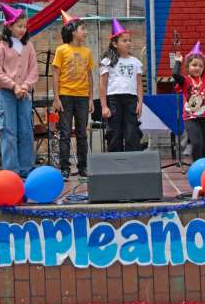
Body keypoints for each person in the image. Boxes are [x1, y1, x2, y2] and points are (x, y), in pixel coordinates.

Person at [0, 4, 39, 179]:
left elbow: (34, 70)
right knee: (9, 131)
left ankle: (26, 168)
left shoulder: (28, 46)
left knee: (26, 130)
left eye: (25, 26)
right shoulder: (0, 46)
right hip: (7, 94)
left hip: (24, 94)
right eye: (19, 26)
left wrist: (25, 86)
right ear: (9, 26)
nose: (22, 29)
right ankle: (12, 171)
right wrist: (13, 85)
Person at [52, 10, 94, 180]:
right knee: (65, 133)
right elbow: (55, 73)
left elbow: (90, 76)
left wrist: (91, 98)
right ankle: (64, 168)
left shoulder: (88, 52)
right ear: (73, 31)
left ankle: (83, 167)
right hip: (65, 96)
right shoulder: (61, 50)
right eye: (83, 29)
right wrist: (56, 98)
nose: (85, 32)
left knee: (82, 133)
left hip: (83, 97)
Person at [99, 18, 143, 152]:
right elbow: (103, 84)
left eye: (129, 40)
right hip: (114, 99)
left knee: (131, 132)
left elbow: (139, 84)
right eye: (124, 41)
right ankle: (114, 163)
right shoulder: (107, 61)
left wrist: (140, 103)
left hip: (131, 99)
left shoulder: (136, 62)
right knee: (114, 132)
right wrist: (104, 106)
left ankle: (132, 162)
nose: (128, 43)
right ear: (115, 43)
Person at [172, 41, 205, 161]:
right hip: (191, 117)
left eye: (200, 66)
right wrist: (178, 61)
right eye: (194, 65)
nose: (197, 68)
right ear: (188, 67)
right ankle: (197, 166)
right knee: (197, 143)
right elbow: (175, 74)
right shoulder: (185, 80)